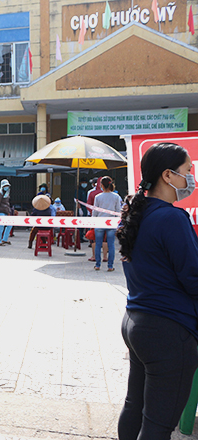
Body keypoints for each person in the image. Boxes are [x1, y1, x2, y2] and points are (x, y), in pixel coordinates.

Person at [116, 142, 198, 440]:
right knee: (158, 424)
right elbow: (193, 277)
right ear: (168, 175)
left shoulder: (138, 213)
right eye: (188, 171)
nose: (191, 178)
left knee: (135, 407)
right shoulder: (172, 218)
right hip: (168, 330)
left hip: (136, 322)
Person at [92, 176, 121, 271]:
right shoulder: (116, 197)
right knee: (111, 244)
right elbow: (118, 211)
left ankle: (97, 265)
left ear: (102, 185)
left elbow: (95, 212)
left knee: (98, 243)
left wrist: (93, 222)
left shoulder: (98, 197)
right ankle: (110, 266)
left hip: (100, 222)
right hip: (111, 223)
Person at [0, 179, 14, 246]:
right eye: (5, 186)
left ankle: (4, 239)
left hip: (6, 212)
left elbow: (7, 203)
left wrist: (8, 212)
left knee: (10, 225)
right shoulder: (0, 194)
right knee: (1, 226)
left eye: (7, 186)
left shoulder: (7, 193)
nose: (7, 187)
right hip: (1, 212)